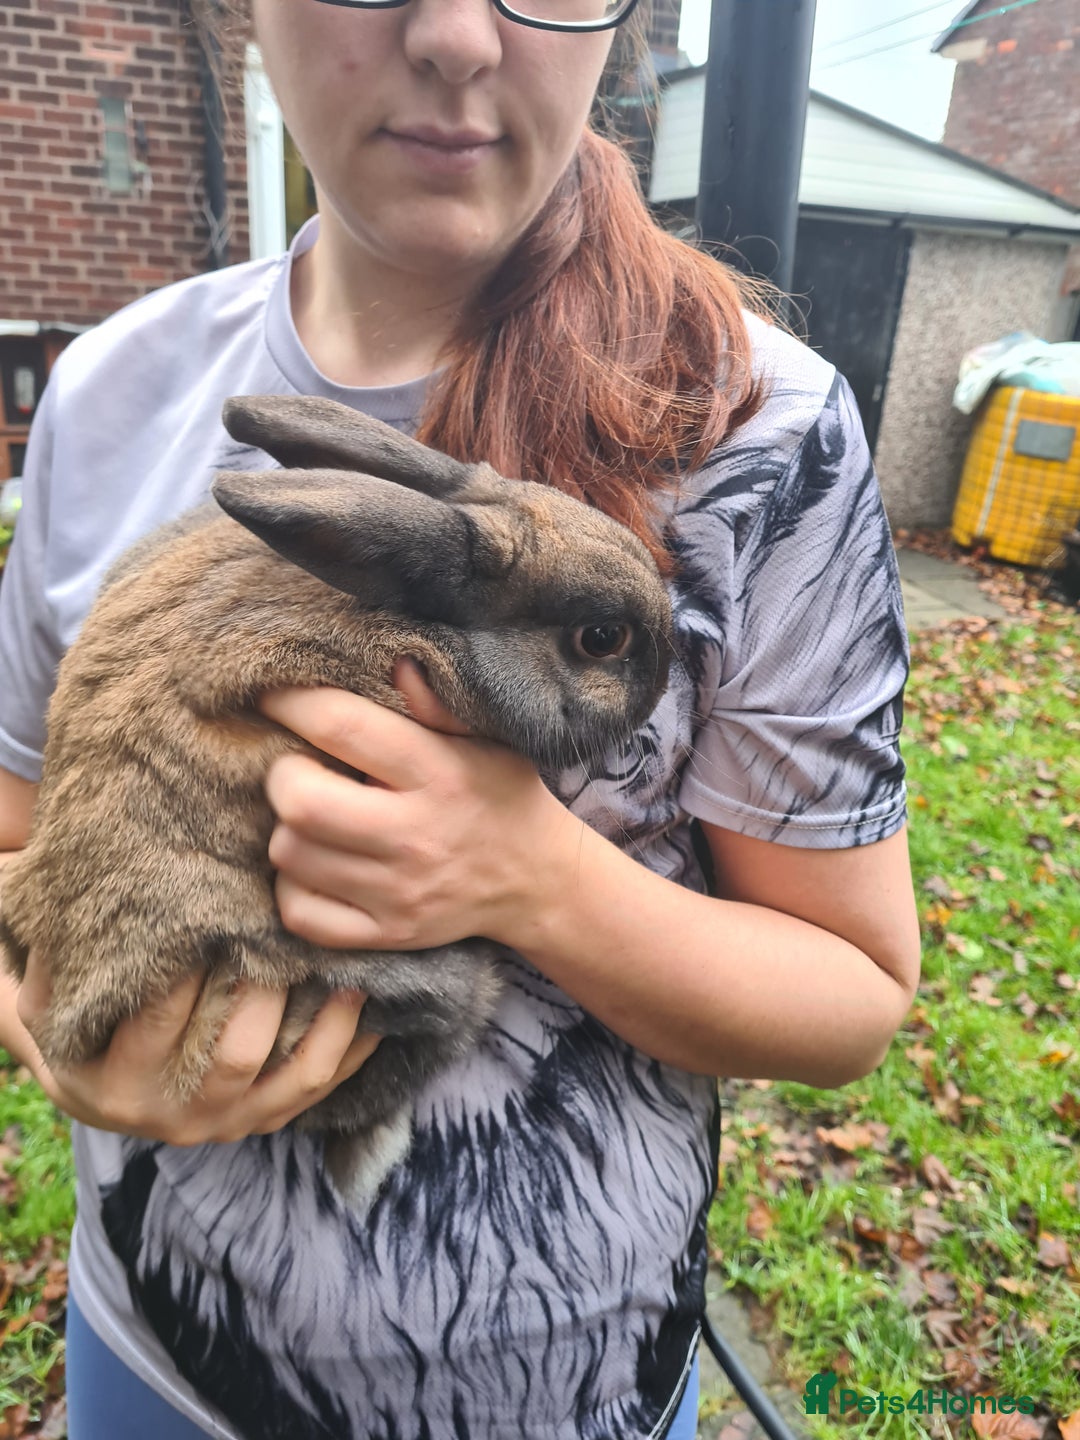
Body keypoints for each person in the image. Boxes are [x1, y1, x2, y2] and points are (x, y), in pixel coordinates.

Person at [0, 0, 921, 1435]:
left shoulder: (764, 426)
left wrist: (526, 875)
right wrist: (67, 1021)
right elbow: (19, 831)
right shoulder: (111, 387)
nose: (454, 37)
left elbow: (851, 993)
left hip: (570, 1390)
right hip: (153, 1346)